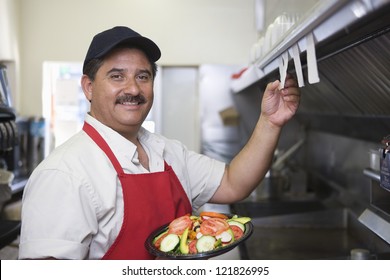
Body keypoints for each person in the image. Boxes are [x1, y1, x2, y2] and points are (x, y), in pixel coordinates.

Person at [19, 26, 300, 260]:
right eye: (117, 76)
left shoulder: (166, 151)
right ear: (89, 87)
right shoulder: (64, 175)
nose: (133, 89)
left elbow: (232, 183)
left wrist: (269, 122)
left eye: (143, 76)